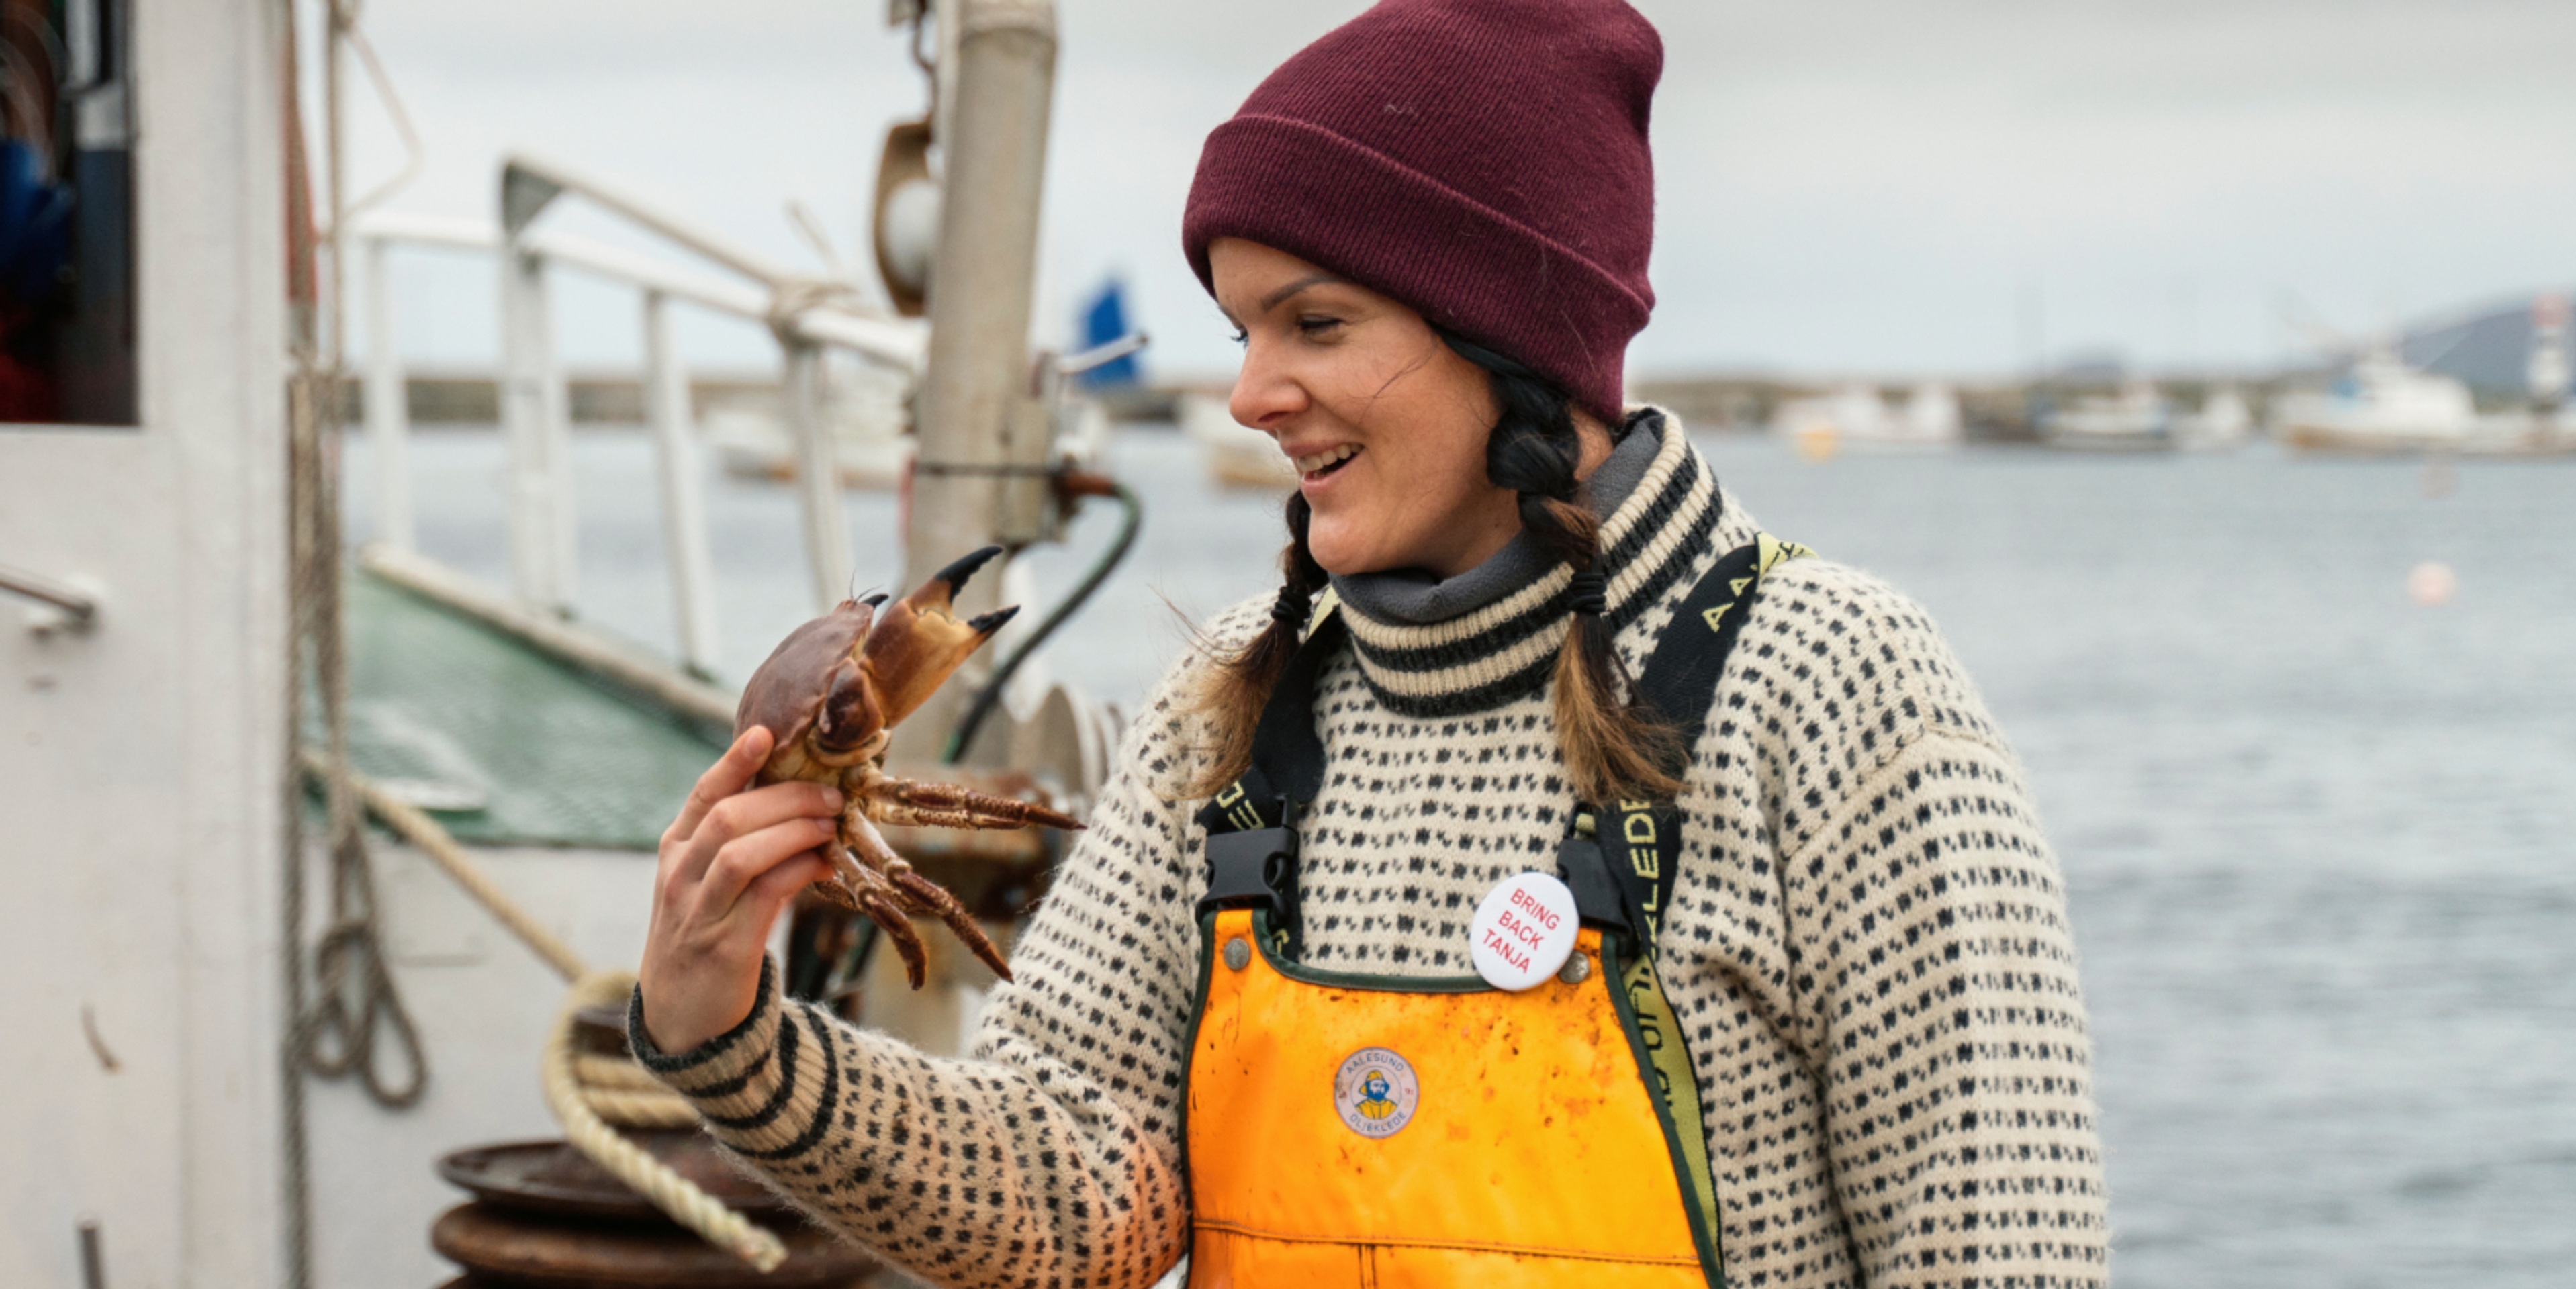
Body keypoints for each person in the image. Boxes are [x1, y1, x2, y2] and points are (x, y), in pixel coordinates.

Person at [632, 1, 2109, 1286]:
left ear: (1516, 342)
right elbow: (1077, 1193)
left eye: (1316, 325)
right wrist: (734, 1035)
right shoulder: (1238, 703)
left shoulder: (1833, 686)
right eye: (1241, 334)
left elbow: (2000, 1248)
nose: (1251, 395)